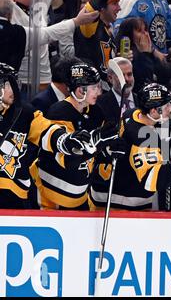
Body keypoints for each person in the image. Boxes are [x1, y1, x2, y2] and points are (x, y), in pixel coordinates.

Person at [0, 62, 98, 209]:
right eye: (8, 84)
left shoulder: (23, 112)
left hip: (16, 195)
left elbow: (45, 129)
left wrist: (64, 140)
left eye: (14, 83)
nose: (14, 89)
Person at [89, 82, 171, 210]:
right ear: (153, 111)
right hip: (121, 202)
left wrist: (163, 141)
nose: (170, 108)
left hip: (105, 187)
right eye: (166, 106)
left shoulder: (133, 113)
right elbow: (151, 180)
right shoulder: (142, 138)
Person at [30, 63, 118, 210]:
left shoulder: (96, 112)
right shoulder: (59, 112)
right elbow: (68, 160)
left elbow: (97, 152)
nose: (99, 92)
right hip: (51, 195)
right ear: (79, 91)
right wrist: (97, 142)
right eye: (94, 88)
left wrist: (109, 149)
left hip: (80, 195)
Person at [74, 0, 122, 90]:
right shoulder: (89, 26)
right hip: (92, 89)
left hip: (108, 89)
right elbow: (91, 7)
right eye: (115, 3)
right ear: (102, 8)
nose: (119, 8)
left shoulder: (108, 30)